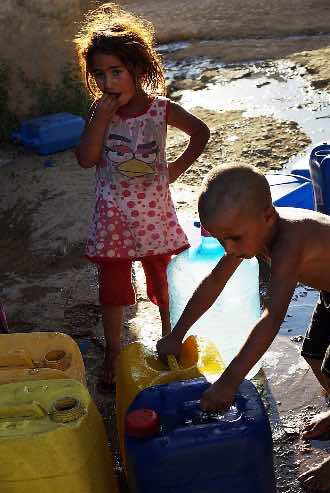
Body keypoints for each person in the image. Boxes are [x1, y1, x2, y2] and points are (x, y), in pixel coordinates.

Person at [156, 164, 330, 490]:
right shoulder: (251, 230)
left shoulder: (289, 243)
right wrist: (177, 333)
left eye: (233, 238)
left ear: (268, 216)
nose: (229, 249)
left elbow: (272, 317)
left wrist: (230, 381)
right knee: (314, 354)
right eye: (221, 239)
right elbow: (214, 281)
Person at [73, 3, 210, 388]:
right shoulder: (100, 113)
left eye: (116, 72)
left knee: (164, 280)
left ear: (137, 69)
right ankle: (115, 352)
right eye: (99, 74)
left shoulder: (160, 110)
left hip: (153, 214)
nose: (107, 81)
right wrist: (100, 117)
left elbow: (200, 133)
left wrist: (176, 169)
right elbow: (86, 159)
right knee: (113, 286)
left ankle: (170, 340)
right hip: (113, 214)